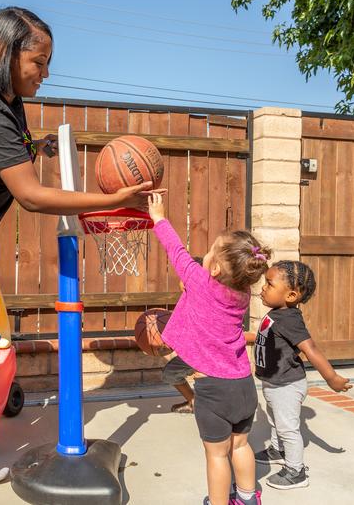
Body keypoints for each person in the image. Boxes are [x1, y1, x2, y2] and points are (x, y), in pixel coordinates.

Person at [0, 7, 155, 505]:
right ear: (4, 53)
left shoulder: (6, 100)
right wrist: (112, 201)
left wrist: (32, 146)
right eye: (39, 61)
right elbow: (33, 197)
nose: (46, 72)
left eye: (47, 62)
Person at [147, 192, 270, 505]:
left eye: (211, 252)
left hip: (214, 389)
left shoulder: (200, 280)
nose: (204, 255)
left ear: (214, 269)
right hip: (243, 384)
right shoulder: (242, 296)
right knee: (241, 446)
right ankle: (246, 498)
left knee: (217, 455)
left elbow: (176, 251)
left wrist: (159, 217)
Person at [253, 260, 353, 490]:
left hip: (286, 385)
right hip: (274, 382)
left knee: (288, 427)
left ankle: (296, 471)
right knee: (275, 420)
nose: (263, 288)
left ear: (290, 295)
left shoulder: (290, 319)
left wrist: (332, 378)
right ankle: (278, 450)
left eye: (269, 284)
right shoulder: (279, 313)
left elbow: (311, 349)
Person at [162, 256, 203, 414]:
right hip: (192, 354)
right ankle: (193, 402)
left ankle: (211, 409)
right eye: (183, 278)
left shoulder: (205, 302)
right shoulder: (185, 300)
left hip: (208, 356)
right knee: (170, 373)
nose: (184, 283)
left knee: (208, 382)